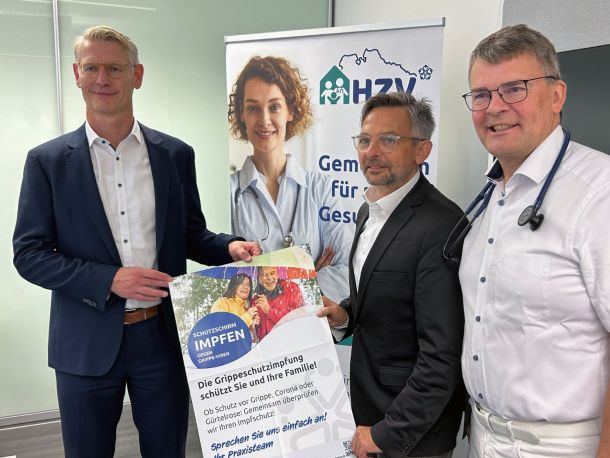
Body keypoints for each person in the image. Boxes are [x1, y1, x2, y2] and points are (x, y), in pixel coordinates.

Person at [12, 25, 260, 458]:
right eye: (91, 68)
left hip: (161, 338)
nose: (102, 79)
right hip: (84, 342)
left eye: (115, 68)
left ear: (137, 75)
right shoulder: (47, 162)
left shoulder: (175, 155)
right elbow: (29, 255)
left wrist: (229, 248)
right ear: (76, 74)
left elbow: (189, 234)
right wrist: (109, 279)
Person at [458, 24, 610, 458]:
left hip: (564, 446)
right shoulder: (493, 196)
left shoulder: (599, 193)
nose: (495, 107)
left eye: (515, 89)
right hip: (483, 436)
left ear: (557, 95)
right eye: (481, 95)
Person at [318, 91, 465, 458]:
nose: (371, 152)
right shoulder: (369, 211)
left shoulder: (442, 225)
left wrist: (388, 433)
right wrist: (345, 314)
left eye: (388, 140)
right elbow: (381, 296)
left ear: (422, 150)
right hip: (367, 412)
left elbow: (441, 356)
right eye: (364, 140)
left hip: (410, 432)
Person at [228, 55, 350, 303]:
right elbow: (224, 280)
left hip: (312, 325)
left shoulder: (321, 189)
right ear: (241, 114)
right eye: (253, 108)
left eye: (274, 107)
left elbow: (346, 269)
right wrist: (308, 279)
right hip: (256, 325)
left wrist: (274, 292)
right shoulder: (228, 193)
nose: (264, 120)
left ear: (291, 111)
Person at [252, 266, 305, 340]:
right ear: (259, 278)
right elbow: (255, 336)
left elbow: (299, 316)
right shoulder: (255, 300)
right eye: (264, 275)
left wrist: (270, 311)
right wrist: (254, 327)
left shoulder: (292, 288)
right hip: (267, 344)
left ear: (277, 274)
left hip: (290, 340)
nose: (269, 278)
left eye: (272, 273)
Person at [211, 273, 260, 340]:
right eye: (241, 283)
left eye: (248, 284)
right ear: (234, 286)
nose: (245, 287)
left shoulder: (247, 309)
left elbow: (253, 341)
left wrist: (253, 327)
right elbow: (219, 331)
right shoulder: (222, 303)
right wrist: (247, 317)